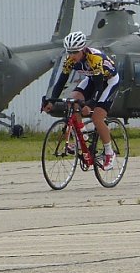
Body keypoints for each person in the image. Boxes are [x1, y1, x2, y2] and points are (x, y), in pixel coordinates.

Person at [42, 31, 120, 171]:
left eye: (75, 52)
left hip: (108, 82)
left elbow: (99, 87)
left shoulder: (94, 59)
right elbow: (61, 82)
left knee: (97, 117)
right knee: (72, 101)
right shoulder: (70, 60)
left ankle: (109, 152)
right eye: (69, 52)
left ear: (83, 49)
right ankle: (81, 138)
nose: (72, 55)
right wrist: (51, 101)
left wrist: (91, 103)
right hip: (91, 79)